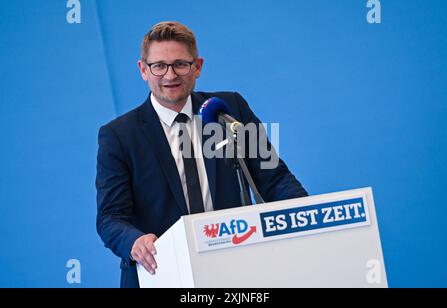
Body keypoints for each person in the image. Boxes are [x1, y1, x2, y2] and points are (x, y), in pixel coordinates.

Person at [96, 21, 308, 288]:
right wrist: (134, 242)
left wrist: (307, 216)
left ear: (197, 67)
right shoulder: (119, 136)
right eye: (159, 65)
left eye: (181, 64)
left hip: (237, 269)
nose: (170, 75)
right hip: (162, 275)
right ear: (143, 70)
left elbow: (274, 179)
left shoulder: (228, 110)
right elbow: (111, 217)